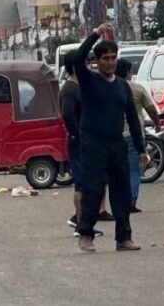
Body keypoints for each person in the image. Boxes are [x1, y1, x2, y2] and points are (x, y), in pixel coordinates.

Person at [74, 23, 149, 253]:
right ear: (97, 61)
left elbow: (133, 120)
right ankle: (86, 234)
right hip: (93, 143)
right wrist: (95, 33)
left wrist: (141, 149)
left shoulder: (122, 87)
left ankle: (123, 238)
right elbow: (78, 59)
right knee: (94, 189)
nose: (110, 62)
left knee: (122, 191)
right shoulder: (89, 82)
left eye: (113, 58)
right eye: (105, 58)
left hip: (116, 143)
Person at [60, 52, 105, 237]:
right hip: (78, 142)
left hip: (87, 140)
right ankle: (80, 223)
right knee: (81, 184)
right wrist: (78, 135)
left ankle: (81, 220)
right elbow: (68, 115)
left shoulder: (80, 86)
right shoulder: (69, 89)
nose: (87, 66)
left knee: (89, 183)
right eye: (84, 63)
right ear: (74, 66)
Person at [115, 59, 159, 212]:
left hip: (116, 135)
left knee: (119, 170)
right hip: (134, 134)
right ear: (128, 72)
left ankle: (120, 200)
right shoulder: (137, 88)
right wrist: (157, 122)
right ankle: (132, 200)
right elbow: (151, 109)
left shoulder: (111, 88)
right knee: (134, 168)